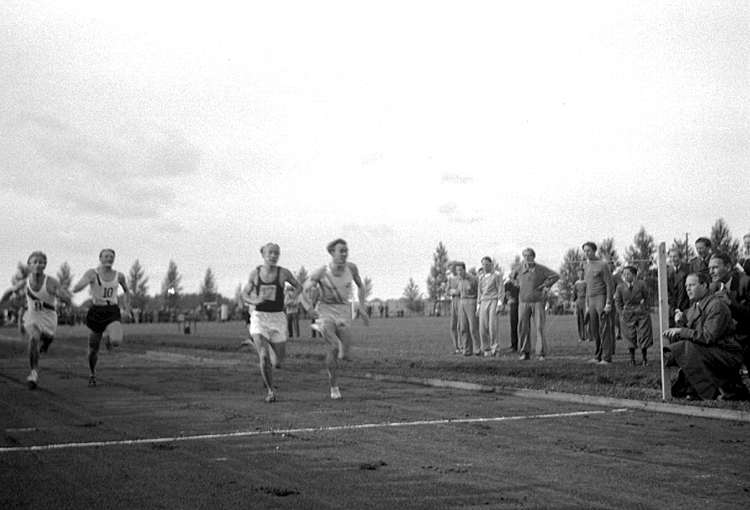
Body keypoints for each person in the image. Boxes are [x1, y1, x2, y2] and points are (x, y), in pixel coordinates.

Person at [663, 273, 747, 400]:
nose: (687, 289)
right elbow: (695, 334)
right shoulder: (694, 307)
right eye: (686, 286)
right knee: (684, 348)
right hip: (712, 352)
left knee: (687, 348)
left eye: (692, 285)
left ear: (704, 286)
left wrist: (681, 331)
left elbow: (708, 337)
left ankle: (719, 390)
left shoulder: (716, 305)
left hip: (727, 354)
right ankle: (695, 389)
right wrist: (683, 323)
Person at [305, 239, 369, 400]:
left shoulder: (351, 268)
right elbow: (303, 290)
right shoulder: (322, 272)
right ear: (332, 252)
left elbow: (361, 286)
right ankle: (334, 387)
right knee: (333, 347)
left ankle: (330, 338)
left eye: (346, 251)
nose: (344, 254)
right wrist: (309, 308)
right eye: (341, 251)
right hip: (325, 311)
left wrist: (361, 307)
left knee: (344, 354)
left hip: (344, 311)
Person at [1, 251, 71, 389]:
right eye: (35, 262)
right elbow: (9, 292)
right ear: (29, 265)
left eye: (41, 262)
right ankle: (33, 373)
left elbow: (67, 299)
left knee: (48, 337)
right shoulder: (24, 283)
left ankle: (47, 342)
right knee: (34, 336)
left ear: (45, 265)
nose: (38, 265)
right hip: (32, 316)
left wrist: (57, 294)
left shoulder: (51, 281)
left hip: (49, 317)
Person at [243, 243, 304, 403]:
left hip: (278, 318)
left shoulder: (283, 273)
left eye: (276, 253)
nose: (273, 256)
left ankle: (255, 345)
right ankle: (271, 391)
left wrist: (293, 296)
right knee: (264, 357)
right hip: (259, 317)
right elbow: (245, 294)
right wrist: (254, 300)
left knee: (277, 362)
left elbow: (299, 286)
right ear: (263, 254)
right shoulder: (255, 274)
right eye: (270, 253)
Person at [72, 249, 130, 387]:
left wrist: (127, 309)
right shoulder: (93, 273)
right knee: (93, 349)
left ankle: (108, 336)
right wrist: (80, 286)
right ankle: (92, 374)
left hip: (112, 310)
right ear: (100, 258)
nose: (109, 259)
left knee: (116, 341)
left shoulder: (119, 276)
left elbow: (127, 291)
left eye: (111, 257)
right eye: (106, 256)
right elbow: (79, 285)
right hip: (97, 311)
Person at [508, 248, 559, 361]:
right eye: (525, 256)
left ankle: (541, 353)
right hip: (523, 301)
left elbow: (556, 276)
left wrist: (546, 285)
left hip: (538, 301)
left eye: (529, 256)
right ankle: (525, 352)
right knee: (523, 328)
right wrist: (516, 283)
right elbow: (511, 276)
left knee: (540, 327)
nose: (527, 258)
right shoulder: (519, 268)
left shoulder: (541, 269)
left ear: (533, 257)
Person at [708, 253, 750, 379]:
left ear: (728, 267)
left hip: (743, 337)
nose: (711, 272)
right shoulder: (712, 287)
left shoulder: (745, 282)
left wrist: (730, 303)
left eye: (715, 267)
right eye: (709, 268)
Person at [582, 242, 615, 365]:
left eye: (589, 250)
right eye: (584, 251)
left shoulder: (603, 264)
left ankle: (607, 358)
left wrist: (608, 302)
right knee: (594, 329)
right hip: (591, 299)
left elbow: (609, 285)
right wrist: (587, 303)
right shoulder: (586, 266)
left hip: (601, 297)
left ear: (594, 251)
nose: (586, 253)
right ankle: (597, 356)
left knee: (604, 328)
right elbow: (587, 286)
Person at [614, 265, 653, 366]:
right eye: (624, 274)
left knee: (644, 334)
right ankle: (632, 359)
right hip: (627, 314)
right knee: (629, 336)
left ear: (634, 275)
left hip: (641, 312)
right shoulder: (620, 287)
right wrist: (622, 312)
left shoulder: (641, 284)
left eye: (628, 274)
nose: (626, 276)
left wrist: (646, 308)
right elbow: (618, 302)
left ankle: (644, 359)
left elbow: (647, 297)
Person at [450, 261, 480, 356]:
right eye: (457, 270)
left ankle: (477, 349)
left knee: (473, 327)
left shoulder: (473, 279)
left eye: (460, 270)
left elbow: (479, 291)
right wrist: (453, 291)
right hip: (461, 302)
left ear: (464, 269)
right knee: (463, 327)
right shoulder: (458, 280)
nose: (459, 272)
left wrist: (478, 304)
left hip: (471, 301)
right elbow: (459, 291)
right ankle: (466, 349)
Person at [477, 256, 504, 356]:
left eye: (487, 264)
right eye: (483, 264)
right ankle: (486, 348)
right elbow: (479, 292)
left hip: (493, 300)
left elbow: (500, 289)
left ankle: (495, 348)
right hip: (483, 301)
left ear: (491, 265)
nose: (485, 266)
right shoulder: (481, 277)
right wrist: (478, 306)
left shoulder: (496, 275)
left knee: (493, 326)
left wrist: (499, 303)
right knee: (482, 327)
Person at [667, 249, 691, 328]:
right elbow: (667, 291)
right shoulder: (666, 271)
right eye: (670, 257)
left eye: (675, 256)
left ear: (680, 258)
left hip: (686, 305)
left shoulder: (688, 269)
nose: (672, 259)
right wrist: (674, 306)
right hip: (672, 306)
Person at [447, 263, 461, 354]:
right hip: (454, 302)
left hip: (461, 301)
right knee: (453, 325)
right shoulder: (450, 279)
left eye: (453, 268)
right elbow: (447, 291)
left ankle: (462, 346)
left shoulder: (461, 278)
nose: (452, 270)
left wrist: (455, 291)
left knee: (461, 325)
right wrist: (451, 292)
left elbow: (461, 291)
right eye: (450, 268)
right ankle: (456, 347)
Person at [503, 275, 520, 352]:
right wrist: (508, 300)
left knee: (524, 326)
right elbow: (505, 293)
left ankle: (525, 346)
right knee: (513, 326)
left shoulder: (522, 282)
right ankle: (514, 346)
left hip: (522, 304)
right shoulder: (508, 284)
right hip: (513, 305)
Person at [571, 269, 588, 341]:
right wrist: (573, 301)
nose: (581, 275)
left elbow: (588, 292)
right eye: (580, 273)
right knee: (579, 319)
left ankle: (587, 336)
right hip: (578, 301)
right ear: (578, 275)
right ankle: (581, 336)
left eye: (582, 273)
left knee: (586, 319)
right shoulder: (576, 283)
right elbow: (574, 293)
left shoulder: (586, 283)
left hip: (585, 300)